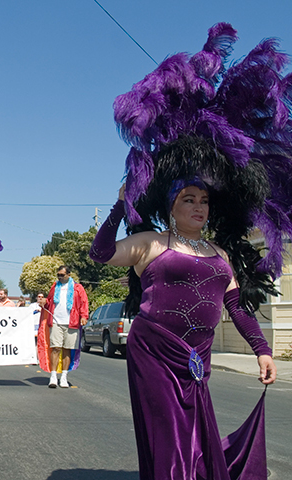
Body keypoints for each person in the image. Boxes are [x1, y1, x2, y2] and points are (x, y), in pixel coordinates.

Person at [93, 22, 292, 479]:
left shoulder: (221, 254)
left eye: (204, 201)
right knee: (168, 438)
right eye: (189, 200)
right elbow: (101, 255)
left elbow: (237, 308)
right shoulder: (151, 244)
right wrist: (118, 208)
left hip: (197, 357)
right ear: (172, 205)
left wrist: (262, 349)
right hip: (154, 349)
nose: (199, 207)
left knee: (192, 439)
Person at [38, 266, 89, 388]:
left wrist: (84, 316)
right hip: (55, 321)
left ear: (68, 275)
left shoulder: (78, 288)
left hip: (72, 322)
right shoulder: (55, 286)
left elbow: (83, 302)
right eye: (58, 275)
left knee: (67, 350)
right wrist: (45, 301)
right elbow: (50, 301)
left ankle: (64, 377)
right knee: (55, 348)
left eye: (62, 275)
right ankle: (53, 376)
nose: (60, 277)